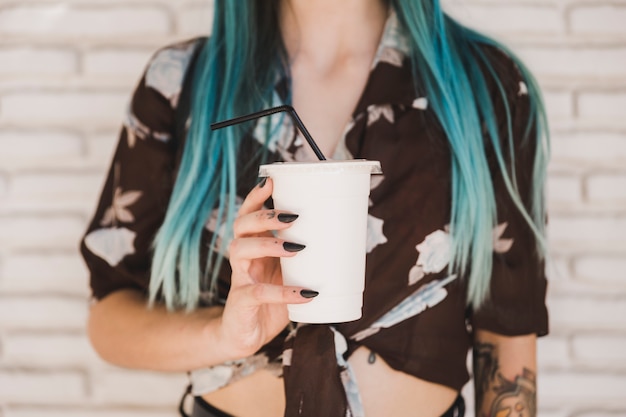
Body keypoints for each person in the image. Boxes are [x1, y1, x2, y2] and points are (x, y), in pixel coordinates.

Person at [81, 0, 550, 416]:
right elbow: (109, 318)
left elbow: (506, 336)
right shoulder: (181, 84)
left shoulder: (488, 88)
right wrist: (225, 335)